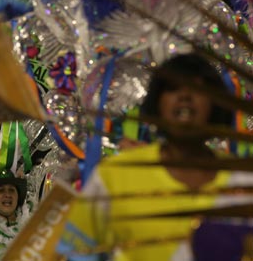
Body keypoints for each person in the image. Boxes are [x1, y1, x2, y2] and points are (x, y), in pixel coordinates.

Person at [58, 52, 253, 261]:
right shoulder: (116, 175)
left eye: (197, 88)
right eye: (172, 88)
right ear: (157, 104)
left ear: (215, 104)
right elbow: (75, 254)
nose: (185, 95)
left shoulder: (243, 180)